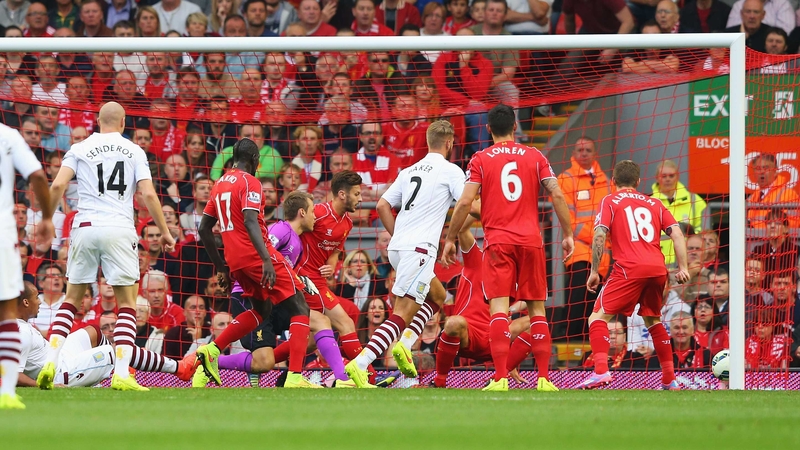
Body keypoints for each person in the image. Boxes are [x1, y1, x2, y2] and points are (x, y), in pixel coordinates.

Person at [38, 102, 176, 393]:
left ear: (97, 121)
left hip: (84, 226)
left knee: (71, 300)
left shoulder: (79, 147)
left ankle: (50, 362)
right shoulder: (135, 151)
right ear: (124, 123)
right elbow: (148, 193)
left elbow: (56, 187)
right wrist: (164, 232)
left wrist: (48, 219)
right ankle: (122, 373)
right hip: (119, 227)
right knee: (127, 305)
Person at [443, 104, 574, 392]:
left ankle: (500, 379)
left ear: (488, 129)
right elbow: (557, 193)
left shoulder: (480, 158)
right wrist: (567, 234)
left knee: (499, 309)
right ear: (515, 127)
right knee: (537, 310)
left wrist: (451, 238)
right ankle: (544, 379)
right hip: (531, 241)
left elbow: (464, 203)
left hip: (498, 241)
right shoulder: (536, 155)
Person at [346, 120, 465, 388]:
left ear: (427, 142)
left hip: (399, 248)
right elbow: (465, 203)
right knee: (401, 313)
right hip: (420, 249)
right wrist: (451, 238)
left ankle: (407, 343)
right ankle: (360, 363)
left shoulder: (409, 170)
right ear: (449, 143)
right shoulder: (451, 170)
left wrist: (398, 234)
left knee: (437, 296)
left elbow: (382, 205)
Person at [195, 138, 318, 389]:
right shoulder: (250, 182)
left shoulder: (219, 185)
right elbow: (251, 220)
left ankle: (212, 350)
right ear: (255, 160)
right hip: (256, 255)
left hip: (235, 260)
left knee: (261, 311)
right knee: (300, 307)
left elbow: (204, 228)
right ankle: (294, 376)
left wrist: (221, 266)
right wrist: (266, 260)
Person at [207, 191, 356, 388]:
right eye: (312, 211)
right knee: (264, 362)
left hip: (273, 300)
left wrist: (298, 280)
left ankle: (340, 379)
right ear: (302, 212)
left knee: (320, 320)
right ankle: (205, 362)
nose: (315, 217)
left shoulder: (297, 242)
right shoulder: (280, 231)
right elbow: (260, 257)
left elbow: (281, 271)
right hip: (252, 298)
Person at [576, 160, 690, 390]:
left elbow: (599, 235)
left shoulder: (610, 200)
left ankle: (600, 372)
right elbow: (677, 234)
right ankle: (669, 379)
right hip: (658, 269)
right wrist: (684, 267)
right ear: (638, 182)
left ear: (613, 181)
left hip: (629, 268)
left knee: (597, 318)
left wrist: (594, 271)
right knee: (653, 320)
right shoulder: (655, 203)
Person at [16, 282, 196, 388]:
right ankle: (180, 368)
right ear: (25, 302)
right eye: (36, 297)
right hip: (60, 373)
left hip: (58, 357)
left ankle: (119, 369)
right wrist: (43, 385)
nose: (39, 302)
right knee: (117, 351)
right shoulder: (21, 332)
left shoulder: (21, 325)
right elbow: (12, 374)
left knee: (92, 331)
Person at [294, 170, 380, 382]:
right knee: (345, 324)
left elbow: (334, 252)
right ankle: (369, 376)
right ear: (342, 194)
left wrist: (331, 267)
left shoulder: (347, 223)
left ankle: (268, 363)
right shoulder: (318, 213)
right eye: (357, 194)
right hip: (304, 278)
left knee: (312, 341)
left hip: (319, 280)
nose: (361, 199)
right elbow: (292, 233)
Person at [433, 213, 530, 388]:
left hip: (498, 338)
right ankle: (440, 380)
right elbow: (462, 230)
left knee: (537, 322)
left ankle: (501, 374)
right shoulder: (477, 259)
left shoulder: (513, 272)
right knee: (453, 323)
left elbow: (531, 301)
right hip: (469, 334)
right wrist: (477, 210)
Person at [0, 120, 54, 409]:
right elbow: (36, 175)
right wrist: (46, 217)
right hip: (2, 232)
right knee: (8, 309)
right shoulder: (8, 135)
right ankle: (7, 389)